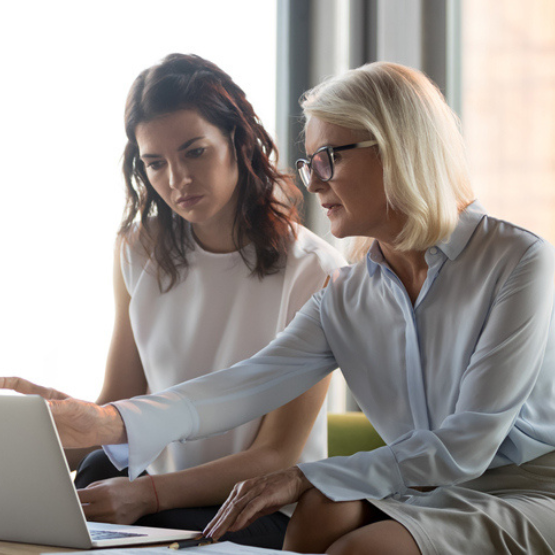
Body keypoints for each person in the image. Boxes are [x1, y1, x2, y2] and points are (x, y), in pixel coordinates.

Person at [4, 60, 555, 554]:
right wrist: (104, 420)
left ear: (399, 147)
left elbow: (468, 444)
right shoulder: (348, 293)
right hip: (417, 484)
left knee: (354, 542)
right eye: (308, 161)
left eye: (328, 159)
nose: (313, 182)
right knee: (315, 518)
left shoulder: (517, 259)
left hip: (524, 485)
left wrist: (304, 475)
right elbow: (241, 385)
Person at [2, 53, 347, 550]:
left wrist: (146, 495)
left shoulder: (316, 270)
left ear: (238, 141)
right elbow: (120, 404)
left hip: (253, 508)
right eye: (155, 163)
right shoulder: (139, 249)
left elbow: (278, 455)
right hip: (150, 494)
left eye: (195, 152)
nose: (177, 179)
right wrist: (39, 432)